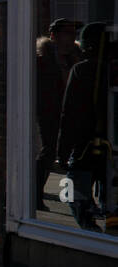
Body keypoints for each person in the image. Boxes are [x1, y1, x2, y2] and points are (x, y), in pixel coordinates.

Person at [57, 21, 112, 231]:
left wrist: (62, 151)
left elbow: (68, 114)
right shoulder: (109, 70)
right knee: (109, 195)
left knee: (72, 191)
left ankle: (91, 231)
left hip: (84, 146)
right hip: (109, 146)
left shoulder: (81, 70)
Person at [36, 19, 81, 211]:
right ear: (54, 36)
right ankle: (35, 194)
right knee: (48, 152)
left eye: (73, 33)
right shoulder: (43, 60)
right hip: (49, 113)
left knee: (72, 156)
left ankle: (77, 199)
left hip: (71, 113)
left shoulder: (76, 60)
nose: (71, 38)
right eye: (67, 33)